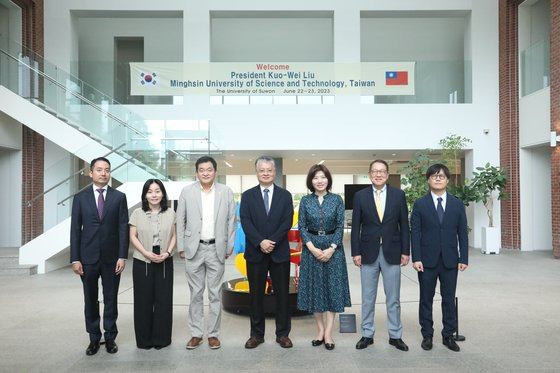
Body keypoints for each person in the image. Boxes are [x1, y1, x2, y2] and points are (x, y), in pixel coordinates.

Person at [70, 157, 129, 356]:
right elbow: (75, 230)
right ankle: (94, 338)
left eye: (107, 170)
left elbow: (123, 228)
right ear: (91, 172)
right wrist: (75, 258)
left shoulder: (119, 197)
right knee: (90, 299)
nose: (103, 173)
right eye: (99, 169)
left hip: (113, 258)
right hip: (87, 258)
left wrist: (122, 256)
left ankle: (110, 337)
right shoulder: (80, 198)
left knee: (111, 298)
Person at [176, 156, 236, 350]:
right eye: (201, 170)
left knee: (215, 294)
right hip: (194, 248)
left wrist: (228, 247)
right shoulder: (187, 192)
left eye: (209, 169)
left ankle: (213, 334)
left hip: (216, 249)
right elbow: (180, 220)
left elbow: (231, 222)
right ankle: (195, 334)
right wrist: (181, 247)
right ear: (196, 172)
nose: (205, 173)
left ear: (215, 172)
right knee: (195, 293)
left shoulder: (226, 192)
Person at [351, 159, 410, 351]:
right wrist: (356, 252)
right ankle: (367, 334)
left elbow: (404, 226)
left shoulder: (398, 195)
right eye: (375, 171)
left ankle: (395, 335)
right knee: (368, 298)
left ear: (387, 174)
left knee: (393, 298)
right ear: (369, 174)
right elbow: (356, 227)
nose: (378, 174)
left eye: (382, 171)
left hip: (392, 252)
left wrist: (405, 251)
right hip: (368, 253)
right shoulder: (360, 196)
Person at [411, 163, 468, 352]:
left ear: (447, 180)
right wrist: (416, 257)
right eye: (434, 176)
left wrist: (464, 258)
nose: (438, 178)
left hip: (451, 260)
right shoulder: (420, 204)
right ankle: (427, 335)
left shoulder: (457, 204)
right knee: (425, 299)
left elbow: (462, 234)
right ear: (428, 180)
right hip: (426, 261)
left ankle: (448, 335)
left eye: (441, 176)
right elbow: (415, 233)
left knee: (449, 299)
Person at [240, 156, 294, 349]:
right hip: (256, 252)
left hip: (279, 252)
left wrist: (272, 241)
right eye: (261, 170)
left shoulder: (285, 195)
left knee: (282, 295)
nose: (265, 173)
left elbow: (287, 222)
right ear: (256, 173)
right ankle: (256, 334)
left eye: (269, 170)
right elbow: (245, 221)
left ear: (274, 172)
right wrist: (260, 242)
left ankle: (283, 334)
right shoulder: (247, 196)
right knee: (255, 295)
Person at [297, 164, 351, 351]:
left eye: (323, 177)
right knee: (315, 290)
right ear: (311, 181)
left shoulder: (337, 200)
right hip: (311, 248)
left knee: (332, 290)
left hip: (333, 249)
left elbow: (339, 225)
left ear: (328, 179)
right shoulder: (305, 200)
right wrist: (311, 247)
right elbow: (301, 226)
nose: (319, 181)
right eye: (315, 178)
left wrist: (331, 248)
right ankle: (319, 330)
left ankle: (328, 333)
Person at [129, 179, 176, 350]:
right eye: (149, 191)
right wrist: (146, 253)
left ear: (162, 193)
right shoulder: (137, 213)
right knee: (143, 301)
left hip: (165, 259)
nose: (154, 195)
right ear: (145, 195)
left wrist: (168, 253)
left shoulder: (171, 212)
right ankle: (144, 340)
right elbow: (133, 236)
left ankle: (161, 339)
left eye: (157, 191)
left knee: (163, 300)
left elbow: (174, 236)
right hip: (143, 261)